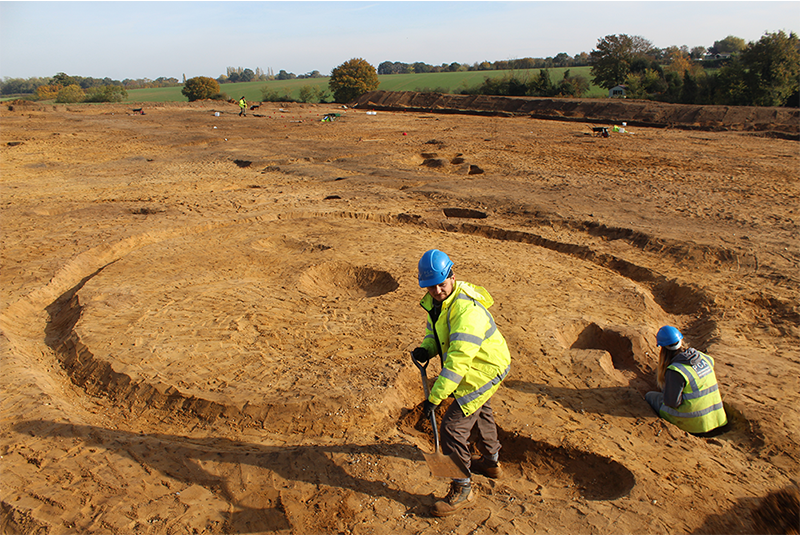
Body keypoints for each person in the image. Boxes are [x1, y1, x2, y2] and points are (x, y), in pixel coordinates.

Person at [412, 249, 511, 517]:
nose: (437, 291)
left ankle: (462, 486)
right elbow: (435, 334)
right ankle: (491, 463)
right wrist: (426, 348)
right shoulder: (437, 303)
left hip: (483, 368)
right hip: (481, 363)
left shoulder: (465, 310)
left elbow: (457, 362)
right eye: (430, 287)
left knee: (452, 428)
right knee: (482, 411)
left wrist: (435, 398)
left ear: (452, 276)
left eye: (441, 284)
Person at [645, 326, 728, 435]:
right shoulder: (705, 358)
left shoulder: (676, 371)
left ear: (663, 348)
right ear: (681, 340)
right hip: (718, 419)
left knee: (650, 396)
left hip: (694, 425)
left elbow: (672, 403)